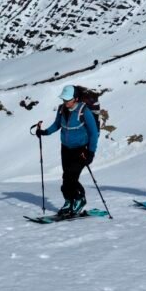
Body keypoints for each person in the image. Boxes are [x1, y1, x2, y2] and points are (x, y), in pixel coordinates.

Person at [35, 85, 99, 218]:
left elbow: (93, 133)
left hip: (81, 150)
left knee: (72, 177)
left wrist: (91, 152)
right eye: (64, 99)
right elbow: (57, 124)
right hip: (65, 149)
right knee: (66, 178)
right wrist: (44, 132)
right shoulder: (61, 109)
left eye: (67, 99)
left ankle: (79, 199)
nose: (65, 102)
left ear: (75, 98)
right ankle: (69, 201)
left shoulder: (84, 111)